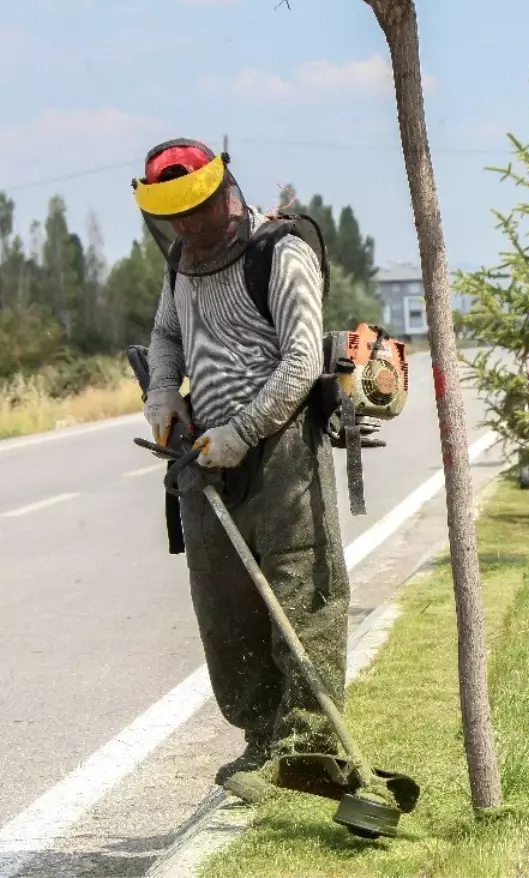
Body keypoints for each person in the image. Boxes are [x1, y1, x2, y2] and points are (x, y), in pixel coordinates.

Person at [134, 138, 349, 792]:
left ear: (225, 193)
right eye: (176, 219)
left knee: (299, 592)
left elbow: (302, 358)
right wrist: (163, 393)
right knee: (227, 608)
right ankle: (262, 741)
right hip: (204, 455)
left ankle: (310, 751)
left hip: (281, 445)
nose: (188, 228)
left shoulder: (279, 252)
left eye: (197, 213)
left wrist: (243, 430)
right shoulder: (180, 260)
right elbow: (166, 338)